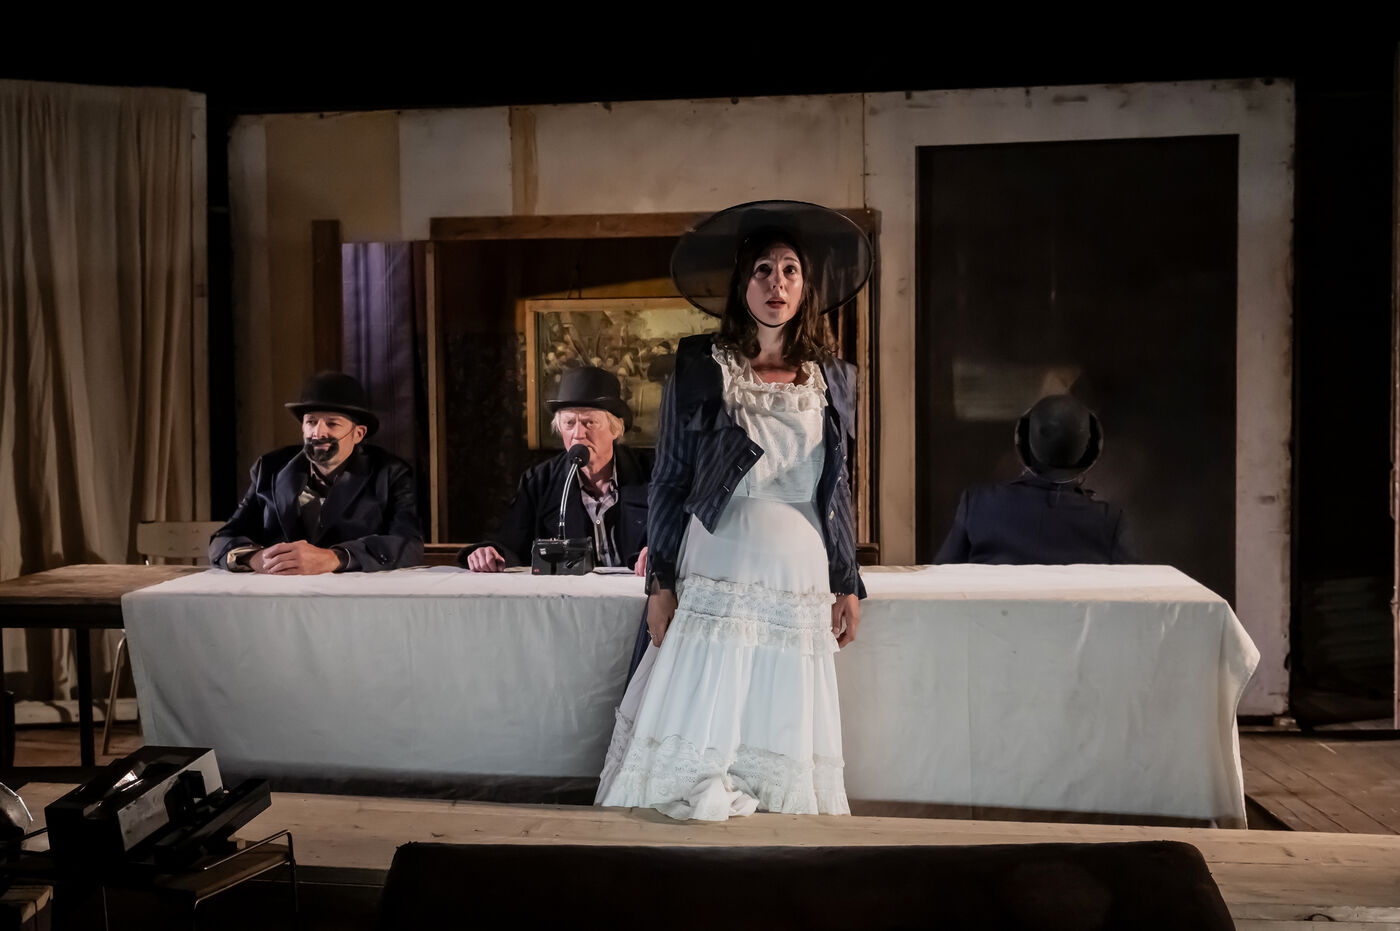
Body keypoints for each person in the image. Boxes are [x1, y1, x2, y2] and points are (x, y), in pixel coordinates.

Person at [596, 200, 871, 821]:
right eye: (763, 270)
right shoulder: (702, 366)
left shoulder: (833, 378)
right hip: (721, 556)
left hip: (797, 571)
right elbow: (669, 479)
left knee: (779, 710)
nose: (777, 284)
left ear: (805, 286)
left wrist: (847, 582)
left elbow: (837, 488)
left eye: (790, 270)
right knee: (705, 704)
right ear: (743, 283)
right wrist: (660, 583)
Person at [210, 371, 424, 573]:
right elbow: (224, 538)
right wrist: (254, 558)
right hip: (280, 592)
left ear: (358, 434)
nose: (318, 433)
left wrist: (335, 558)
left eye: (332, 424)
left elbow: (408, 545)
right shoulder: (269, 468)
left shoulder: (390, 473)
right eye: (311, 422)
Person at [458, 366, 653, 573]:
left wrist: (661, 551)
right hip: (569, 591)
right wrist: (491, 553)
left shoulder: (652, 474)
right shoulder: (539, 482)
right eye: (569, 423)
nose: (578, 434)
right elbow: (510, 544)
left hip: (636, 589)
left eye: (590, 423)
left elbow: (673, 535)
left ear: (616, 428)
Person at [934, 393, 1136, 564]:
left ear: (1022, 442)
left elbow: (938, 582)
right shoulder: (1109, 522)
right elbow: (1140, 593)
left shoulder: (977, 504)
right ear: (1090, 453)